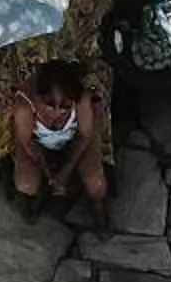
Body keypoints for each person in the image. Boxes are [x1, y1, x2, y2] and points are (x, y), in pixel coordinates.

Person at [9, 60, 109, 212]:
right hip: (36, 142)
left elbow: (84, 136)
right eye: (49, 103)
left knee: (96, 183)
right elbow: (28, 142)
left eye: (65, 106)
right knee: (26, 184)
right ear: (37, 95)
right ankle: (36, 193)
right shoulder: (25, 105)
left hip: (74, 139)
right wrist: (49, 176)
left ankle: (98, 205)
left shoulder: (82, 99)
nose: (57, 111)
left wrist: (65, 171)